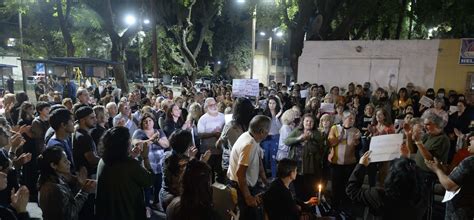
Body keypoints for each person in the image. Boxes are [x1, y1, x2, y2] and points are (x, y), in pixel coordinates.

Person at [346, 150, 429, 219]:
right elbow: (409, 176)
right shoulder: (421, 199)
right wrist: (405, 161)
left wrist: (361, 166)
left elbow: (351, 190)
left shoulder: (379, 196)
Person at [95, 127, 154, 220]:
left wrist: (131, 157)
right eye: (129, 142)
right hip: (128, 213)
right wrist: (145, 158)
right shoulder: (130, 165)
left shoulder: (103, 161)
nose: (131, 145)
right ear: (123, 145)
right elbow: (149, 181)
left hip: (108, 214)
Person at [227, 115, 271, 219]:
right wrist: (248, 198)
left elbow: (259, 160)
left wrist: (265, 180)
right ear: (262, 132)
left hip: (245, 186)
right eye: (267, 130)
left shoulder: (250, 137)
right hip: (240, 188)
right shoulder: (249, 144)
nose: (268, 133)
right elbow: (240, 174)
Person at [38, 146, 96, 220]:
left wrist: (79, 184)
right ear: (53, 165)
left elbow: (70, 201)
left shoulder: (55, 179)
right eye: (65, 161)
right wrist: (84, 191)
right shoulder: (53, 189)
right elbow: (70, 214)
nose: (69, 162)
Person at [425, 136, 474, 220]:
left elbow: (449, 185)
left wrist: (437, 170)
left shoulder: (470, 162)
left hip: (460, 212)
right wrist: (440, 168)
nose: (470, 138)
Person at [132, 113, 169, 208]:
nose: (148, 123)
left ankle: (156, 201)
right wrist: (152, 140)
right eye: (145, 121)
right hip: (146, 163)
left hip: (159, 164)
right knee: (146, 186)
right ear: (142, 123)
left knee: (159, 184)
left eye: (150, 121)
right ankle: (147, 205)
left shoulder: (159, 131)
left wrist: (158, 140)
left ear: (153, 122)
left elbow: (166, 144)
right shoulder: (139, 132)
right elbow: (136, 143)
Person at [284, 113, 325, 200]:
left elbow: (321, 148)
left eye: (311, 121)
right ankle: (300, 209)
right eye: (307, 121)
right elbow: (286, 141)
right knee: (297, 189)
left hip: (310, 167)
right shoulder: (297, 131)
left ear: (314, 123)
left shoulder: (317, 133)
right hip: (296, 165)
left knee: (309, 190)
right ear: (303, 122)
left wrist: (310, 139)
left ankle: (310, 209)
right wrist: (299, 138)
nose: (308, 123)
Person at [327, 110, 361, 209]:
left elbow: (359, 148)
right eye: (349, 118)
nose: (351, 120)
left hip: (350, 163)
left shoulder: (356, 130)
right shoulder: (334, 128)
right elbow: (330, 143)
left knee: (347, 186)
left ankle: (346, 208)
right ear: (343, 118)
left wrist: (357, 141)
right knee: (336, 187)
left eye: (353, 118)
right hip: (336, 163)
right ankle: (334, 207)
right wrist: (339, 137)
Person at [217, 98, 255, 178]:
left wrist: (221, 140)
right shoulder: (252, 126)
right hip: (248, 162)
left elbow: (218, 145)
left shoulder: (230, 126)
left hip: (231, 163)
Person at [197, 98, 225, 183]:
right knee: (208, 175)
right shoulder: (203, 119)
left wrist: (221, 135)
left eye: (215, 104)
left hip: (220, 151)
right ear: (206, 107)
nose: (214, 106)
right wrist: (213, 134)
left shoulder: (222, 116)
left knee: (220, 174)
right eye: (211, 105)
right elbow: (200, 135)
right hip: (207, 152)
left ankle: (219, 193)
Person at [73, 106, 100, 176]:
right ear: (82, 120)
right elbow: (92, 160)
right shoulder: (83, 137)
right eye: (92, 118)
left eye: (95, 117)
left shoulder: (81, 134)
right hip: (89, 176)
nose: (95, 120)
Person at [261, 96, 282, 178]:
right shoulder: (265, 113)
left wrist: (276, 117)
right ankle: (264, 177)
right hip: (266, 138)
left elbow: (280, 128)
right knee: (265, 158)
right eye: (270, 103)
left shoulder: (279, 114)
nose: (271, 105)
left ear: (276, 104)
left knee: (273, 158)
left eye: (273, 103)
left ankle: (274, 177)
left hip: (276, 137)